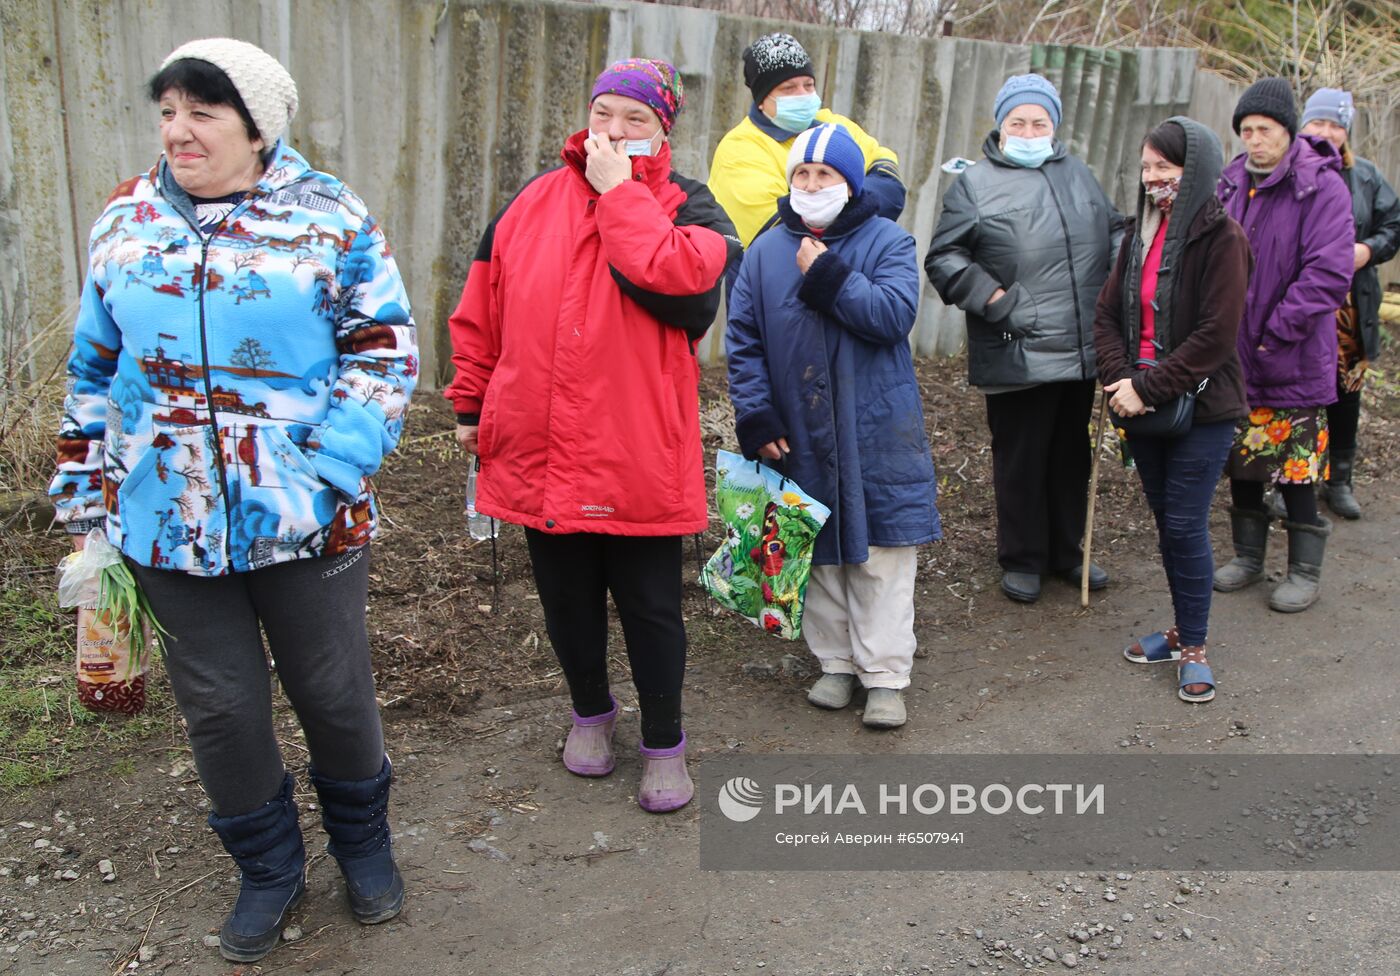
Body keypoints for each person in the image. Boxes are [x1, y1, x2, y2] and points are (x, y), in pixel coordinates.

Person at [48, 38, 417, 962]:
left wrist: (326, 473)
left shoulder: (329, 217)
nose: (178, 130)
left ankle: (363, 849)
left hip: (308, 519)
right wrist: (87, 498)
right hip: (164, 516)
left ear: (258, 128)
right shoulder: (125, 220)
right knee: (219, 709)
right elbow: (93, 366)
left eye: (202, 113)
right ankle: (267, 869)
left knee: (332, 693)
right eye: (167, 111)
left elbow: (384, 351)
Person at [444, 59, 738, 812]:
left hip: (636, 449)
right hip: (539, 448)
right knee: (566, 601)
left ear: (663, 128)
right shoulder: (530, 204)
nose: (614, 130)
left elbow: (679, 279)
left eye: (635, 119)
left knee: (649, 607)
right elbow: (482, 313)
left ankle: (665, 742)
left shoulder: (692, 207)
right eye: (604, 112)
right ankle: (591, 712)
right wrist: (471, 406)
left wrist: (620, 196)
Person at [726, 123, 939, 729]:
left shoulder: (888, 242)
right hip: (796, 427)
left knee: (878, 556)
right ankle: (836, 662)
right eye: (802, 174)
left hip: (875, 426)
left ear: (849, 183)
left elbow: (893, 315)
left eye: (825, 175)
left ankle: (885, 675)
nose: (812, 184)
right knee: (815, 550)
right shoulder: (764, 251)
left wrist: (829, 276)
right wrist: (756, 413)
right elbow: (742, 341)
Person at [925, 73, 1124, 604]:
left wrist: (1129, 261)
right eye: (1019, 121)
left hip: (1079, 347)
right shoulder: (975, 184)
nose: (1030, 130)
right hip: (1017, 344)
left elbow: (1112, 228)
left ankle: (1066, 550)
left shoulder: (1078, 174)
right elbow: (944, 256)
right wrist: (995, 301)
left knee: (1070, 456)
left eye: (1040, 121)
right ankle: (1023, 557)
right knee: (1021, 457)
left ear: (1054, 126)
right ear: (1001, 125)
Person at [1094, 119, 1251, 704]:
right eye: (1147, 166)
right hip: (1141, 403)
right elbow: (1107, 315)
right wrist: (1118, 379)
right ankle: (1182, 627)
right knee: (1168, 523)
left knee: (1184, 524)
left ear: (1199, 171)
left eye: (1167, 166)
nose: (1155, 177)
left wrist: (1149, 387)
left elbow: (1216, 336)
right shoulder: (1139, 233)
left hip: (1203, 406)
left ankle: (1195, 649)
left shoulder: (1224, 240)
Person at [1213, 77, 1354, 613]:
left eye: (1264, 130)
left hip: (1290, 355)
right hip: (1234, 356)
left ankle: (1303, 569)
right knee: (1244, 459)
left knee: (1296, 466)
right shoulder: (1229, 184)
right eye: (1246, 130)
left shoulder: (1321, 186)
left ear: (1288, 132)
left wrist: (1274, 334)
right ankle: (1249, 558)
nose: (1254, 140)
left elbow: (1328, 273)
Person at [1298, 88, 1400, 520]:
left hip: (1350, 308)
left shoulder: (1367, 177)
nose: (1327, 133)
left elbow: (1393, 225)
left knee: (1346, 394)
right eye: (1318, 123)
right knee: (1291, 395)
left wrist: (1369, 250)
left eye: (1336, 125)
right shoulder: (1283, 173)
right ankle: (1284, 478)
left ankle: (1338, 480)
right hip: (1299, 305)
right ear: (1302, 126)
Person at [708, 32, 905, 250]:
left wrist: (824, 208)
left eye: (808, 85)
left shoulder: (833, 124)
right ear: (762, 99)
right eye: (789, 88)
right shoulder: (739, 149)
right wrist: (856, 201)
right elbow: (785, 235)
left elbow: (891, 186)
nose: (802, 94)